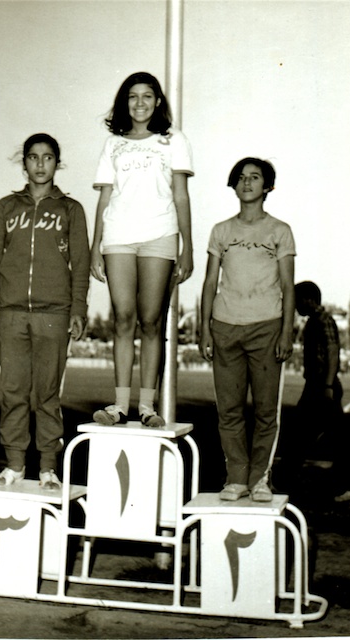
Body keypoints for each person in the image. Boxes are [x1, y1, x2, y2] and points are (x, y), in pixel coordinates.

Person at [0, 133, 90, 489]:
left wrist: (78, 308)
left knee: (47, 394)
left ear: (57, 163)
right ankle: (13, 465)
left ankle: (47, 468)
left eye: (47, 157)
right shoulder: (6, 208)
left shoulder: (71, 210)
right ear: (23, 162)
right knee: (13, 392)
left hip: (54, 314)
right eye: (33, 157)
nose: (40, 164)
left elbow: (81, 264)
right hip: (10, 313)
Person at [90, 72, 194, 427]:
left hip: (160, 234)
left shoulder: (173, 140)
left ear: (158, 101)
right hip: (118, 236)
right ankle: (119, 406)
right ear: (124, 102)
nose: (139, 103)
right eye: (132, 96)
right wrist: (95, 248)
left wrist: (187, 247)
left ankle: (147, 407)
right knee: (122, 318)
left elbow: (181, 195)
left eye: (147, 96)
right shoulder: (112, 143)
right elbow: (104, 199)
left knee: (152, 321)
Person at [199, 157, 295, 501]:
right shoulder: (221, 231)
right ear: (234, 186)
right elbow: (210, 283)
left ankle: (260, 479)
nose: (247, 183)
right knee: (229, 409)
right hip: (225, 327)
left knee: (267, 410)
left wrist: (286, 332)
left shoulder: (279, 230)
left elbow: (288, 285)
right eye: (241, 178)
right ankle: (236, 477)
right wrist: (204, 328)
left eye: (255, 178)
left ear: (267, 187)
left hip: (266, 327)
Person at [276, 281, 350, 502]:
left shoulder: (323, 321)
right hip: (318, 386)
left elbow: (332, 352)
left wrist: (327, 386)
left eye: (298, 300)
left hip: (321, 387)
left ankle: (285, 480)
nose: (296, 306)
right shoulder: (316, 321)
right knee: (325, 436)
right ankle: (288, 479)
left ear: (308, 299)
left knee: (309, 435)